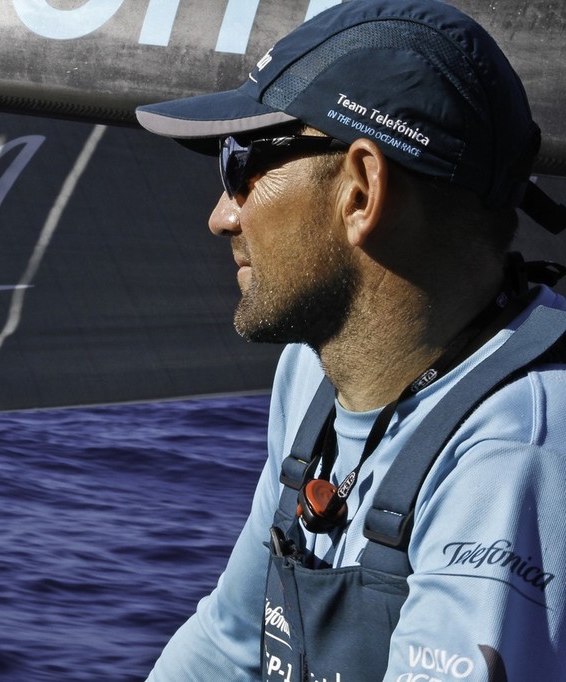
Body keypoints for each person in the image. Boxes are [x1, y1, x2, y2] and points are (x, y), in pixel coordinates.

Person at [134, 1, 566, 680]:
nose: (222, 215)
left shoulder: (515, 458)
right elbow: (228, 645)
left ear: (361, 192)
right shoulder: (310, 375)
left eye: (241, 163)